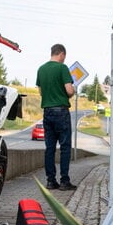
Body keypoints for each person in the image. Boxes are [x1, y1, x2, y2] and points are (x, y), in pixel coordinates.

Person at [36, 44, 76, 190]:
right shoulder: (62, 68)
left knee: (50, 148)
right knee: (65, 147)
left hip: (47, 112)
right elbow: (69, 90)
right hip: (61, 112)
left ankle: (50, 181)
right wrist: (72, 92)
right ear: (62, 54)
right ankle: (64, 181)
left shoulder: (41, 69)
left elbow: (41, 92)